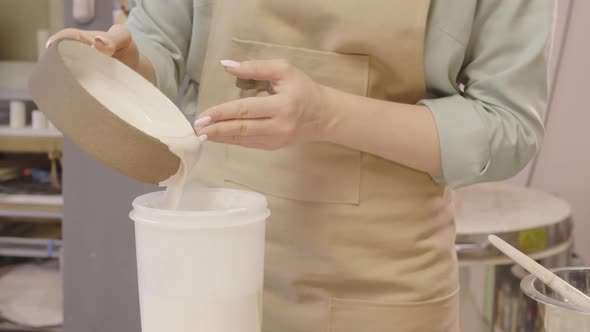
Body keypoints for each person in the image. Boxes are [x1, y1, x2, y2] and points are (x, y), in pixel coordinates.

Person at [48, 1, 554, 331]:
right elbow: (160, 37)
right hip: (207, 274)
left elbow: (507, 124)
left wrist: (328, 114)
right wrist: (131, 61)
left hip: (381, 291)